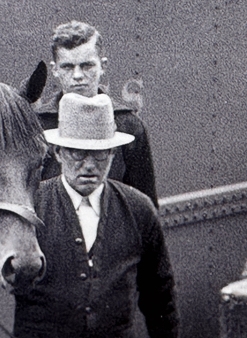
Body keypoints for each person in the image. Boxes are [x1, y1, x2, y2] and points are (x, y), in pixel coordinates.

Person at [14, 92, 178, 338]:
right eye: (78, 153)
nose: (89, 165)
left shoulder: (138, 209)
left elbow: (160, 297)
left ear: (113, 154)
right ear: (58, 153)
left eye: (100, 154)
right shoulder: (30, 206)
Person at [38, 21, 159, 205]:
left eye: (87, 66)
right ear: (54, 69)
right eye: (67, 67)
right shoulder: (36, 125)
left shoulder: (129, 127)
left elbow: (145, 204)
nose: (77, 75)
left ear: (103, 66)